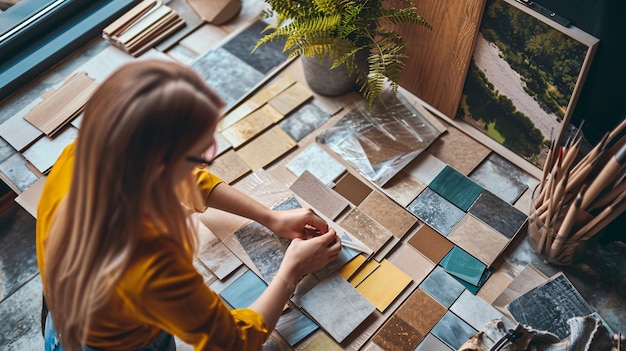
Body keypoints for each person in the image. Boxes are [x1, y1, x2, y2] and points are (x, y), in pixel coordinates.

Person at [36, 59, 342, 351]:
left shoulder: (80, 154)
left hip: (62, 326)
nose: (204, 162)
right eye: (198, 154)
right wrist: (291, 271)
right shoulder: (152, 260)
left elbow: (185, 179)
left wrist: (269, 217)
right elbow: (232, 341)